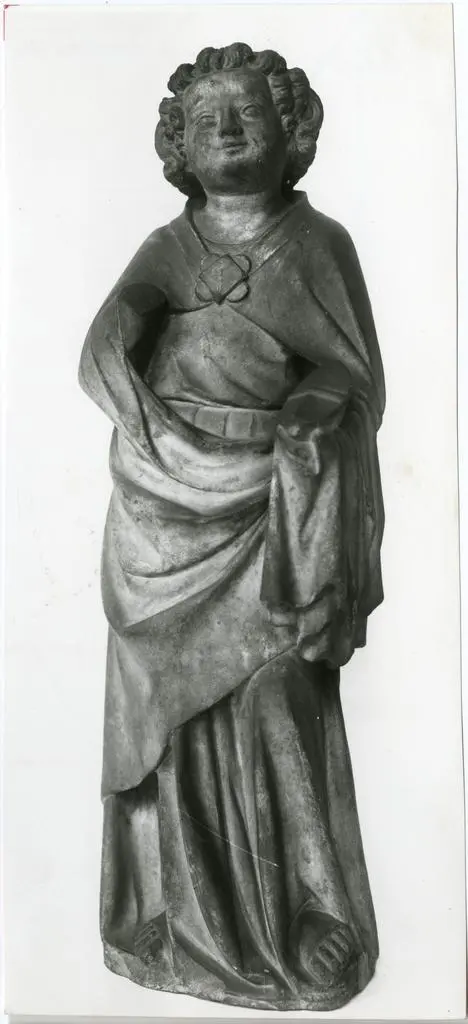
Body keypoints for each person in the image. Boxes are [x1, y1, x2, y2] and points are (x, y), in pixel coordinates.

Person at [79, 42, 385, 1011]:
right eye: (205, 116)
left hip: (272, 511)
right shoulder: (165, 248)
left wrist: (318, 410)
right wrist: (127, 323)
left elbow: (357, 381)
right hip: (159, 512)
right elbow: (104, 352)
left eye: (245, 111)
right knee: (167, 720)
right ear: (177, 142)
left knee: (278, 694)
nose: (224, 128)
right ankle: (179, 909)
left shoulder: (317, 245)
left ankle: (306, 913)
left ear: (291, 131)